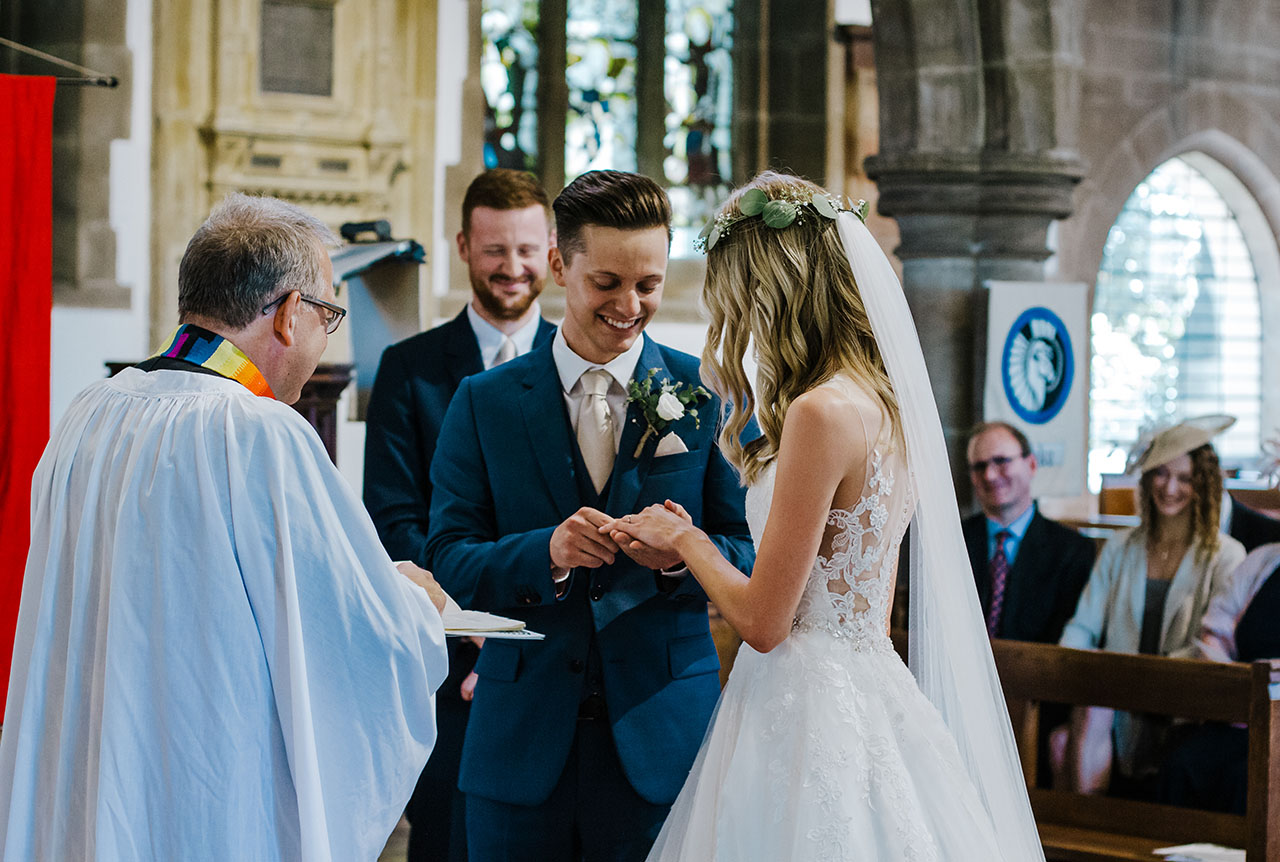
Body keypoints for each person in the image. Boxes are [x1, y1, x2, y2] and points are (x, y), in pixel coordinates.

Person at [605, 172, 1043, 861]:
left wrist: (686, 539)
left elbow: (765, 623)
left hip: (801, 705)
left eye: (741, 297)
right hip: (871, 688)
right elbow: (864, 598)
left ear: (774, 291)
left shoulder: (819, 413)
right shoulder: (885, 407)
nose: (740, 323)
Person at [0, 194, 451, 861]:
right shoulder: (260, 434)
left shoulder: (88, 414)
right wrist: (414, 603)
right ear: (292, 313)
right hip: (206, 802)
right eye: (327, 315)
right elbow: (354, 637)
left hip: (94, 789)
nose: (324, 336)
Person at [425, 170, 756, 861]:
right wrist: (545, 552)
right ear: (558, 265)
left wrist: (683, 557)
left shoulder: (709, 395)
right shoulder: (484, 402)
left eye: (648, 284)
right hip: (519, 747)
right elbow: (449, 558)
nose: (630, 306)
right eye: (607, 282)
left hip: (663, 742)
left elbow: (751, 549)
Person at [363, 168, 557, 861]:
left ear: (552, 251)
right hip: (445, 664)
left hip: (554, 655)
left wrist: (521, 626)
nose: (512, 267)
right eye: (495, 250)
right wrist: (476, 625)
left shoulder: (581, 365)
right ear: (464, 248)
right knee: (447, 841)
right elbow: (394, 519)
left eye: (527, 250)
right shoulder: (408, 369)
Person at [1056, 416, 1246, 794]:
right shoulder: (1120, 546)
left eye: (1185, 478)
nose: (1169, 488)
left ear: (1203, 485)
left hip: (1184, 703)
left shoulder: (1226, 555)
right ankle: (1088, 826)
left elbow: (1211, 646)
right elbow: (1083, 626)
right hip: (1115, 704)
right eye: (1160, 474)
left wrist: (1144, 677)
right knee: (1070, 732)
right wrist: (1066, 669)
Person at [1157, 540, 1280, 813]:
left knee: (1247, 779)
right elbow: (1216, 628)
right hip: (1240, 711)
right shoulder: (1263, 560)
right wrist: (1230, 677)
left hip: (1276, 718)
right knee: (1181, 766)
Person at [963, 421, 1095, 643]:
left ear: (1032, 465)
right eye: (979, 466)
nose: (990, 475)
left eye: (1001, 461)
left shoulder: (1072, 550)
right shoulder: (955, 540)